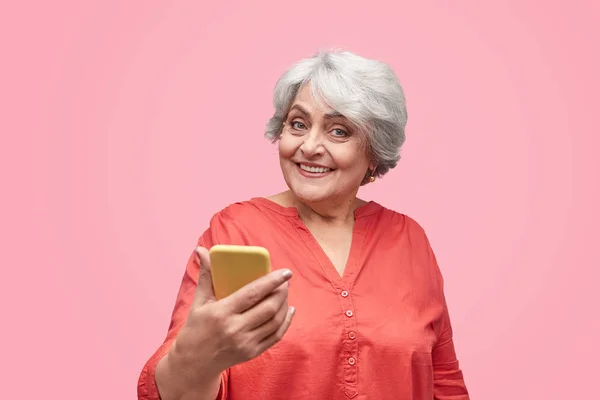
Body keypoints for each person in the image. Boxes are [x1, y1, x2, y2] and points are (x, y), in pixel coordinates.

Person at [137, 50, 469, 400]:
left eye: (338, 131)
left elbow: (445, 383)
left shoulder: (409, 239)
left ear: (373, 152)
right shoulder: (235, 230)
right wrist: (197, 358)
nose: (309, 146)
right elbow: (166, 392)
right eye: (298, 124)